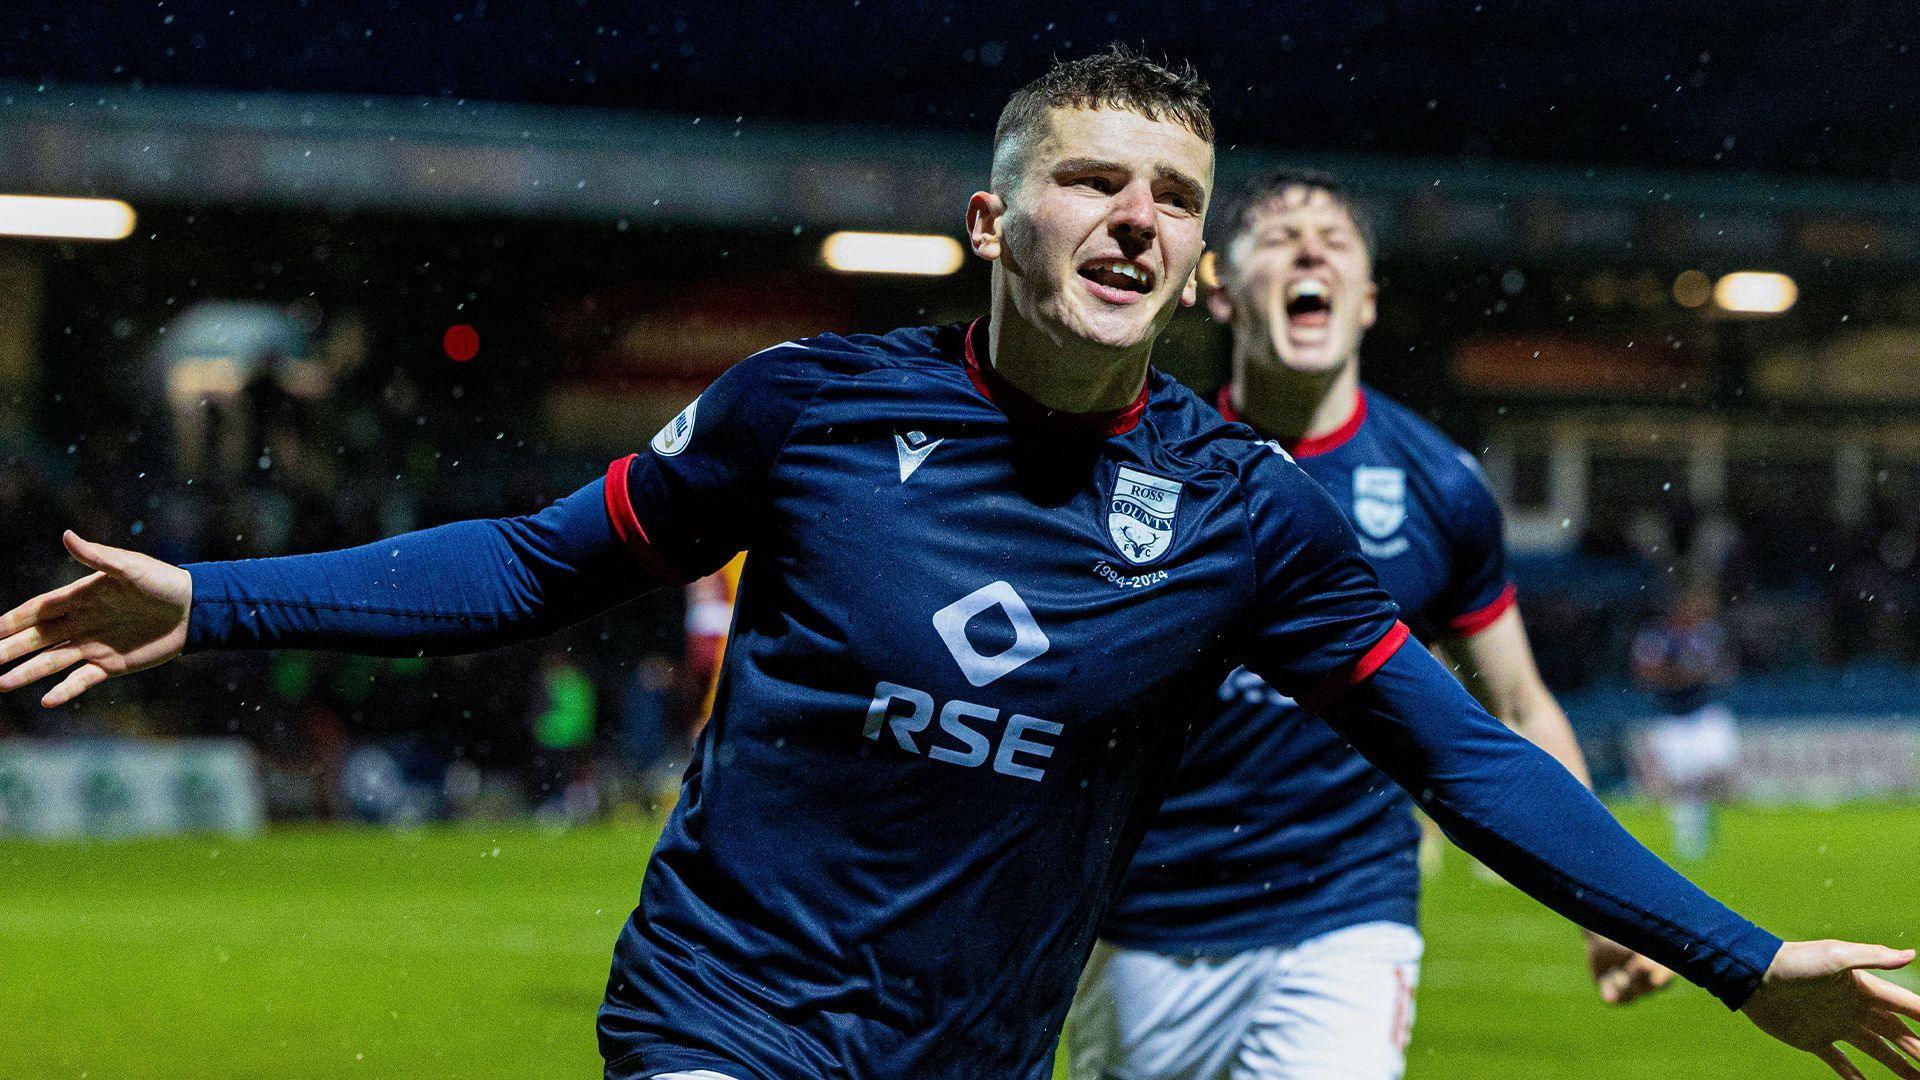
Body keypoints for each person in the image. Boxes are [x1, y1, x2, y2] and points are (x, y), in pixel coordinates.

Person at [0, 47, 1916, 1080]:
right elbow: (527, 565)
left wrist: (1740, 965)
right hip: (725, 1023)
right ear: (996, 219)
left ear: (1193, 265)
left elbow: (1467, 752)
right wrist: (215, 599)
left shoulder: (1252, 513)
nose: (1138, 217)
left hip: (978, 1050)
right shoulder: (803, 410)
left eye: (1174, 198)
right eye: (1097, 178)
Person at [1070, 172, 1671, 1080]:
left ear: (1368, 303)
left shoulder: (1442, 485)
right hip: (1146, 923)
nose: (1310, 249)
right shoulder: (1134, 464)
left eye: (1336, 239)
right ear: (1221, 289)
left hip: (1348, 913)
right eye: (1278, 236)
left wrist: (1608, 905)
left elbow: (1520, 705)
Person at [1632, 582, 1740, 861]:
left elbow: (1721, 669)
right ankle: (1689, 830)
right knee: (1677, 781)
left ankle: (1701, 815)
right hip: (1671, 716)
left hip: (1703, 712)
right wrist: (1683, 673)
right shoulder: (1656, 638)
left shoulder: (1707, 635)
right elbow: (1645, 673)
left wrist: (1683, 673)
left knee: (1719, 768)